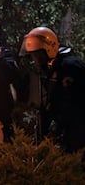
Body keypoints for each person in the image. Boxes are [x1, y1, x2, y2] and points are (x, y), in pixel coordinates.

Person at [19, 26, 85, 154]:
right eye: (34, 56)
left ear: (49, 49)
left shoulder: (70, 66)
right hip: (68, 128)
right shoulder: (53, 68)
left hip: (78, 128)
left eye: (38, 55)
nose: (36, 60)